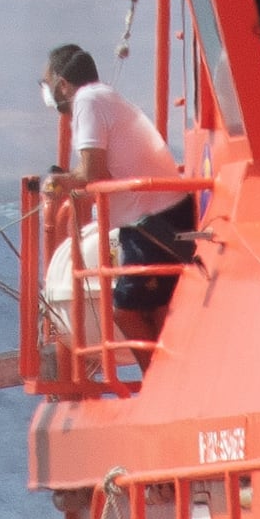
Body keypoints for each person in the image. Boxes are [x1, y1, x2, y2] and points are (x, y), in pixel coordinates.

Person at [38, 40, 199, 352]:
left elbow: (92, 173)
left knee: (125, 312)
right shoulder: (104, 96)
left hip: (152, 220)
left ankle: (158, 386)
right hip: (162, 214)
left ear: (62, 84)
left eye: (46, 83)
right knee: (152, 309)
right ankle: (163, 379)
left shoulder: (86, 101)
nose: (47, 92)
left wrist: (58, 183)